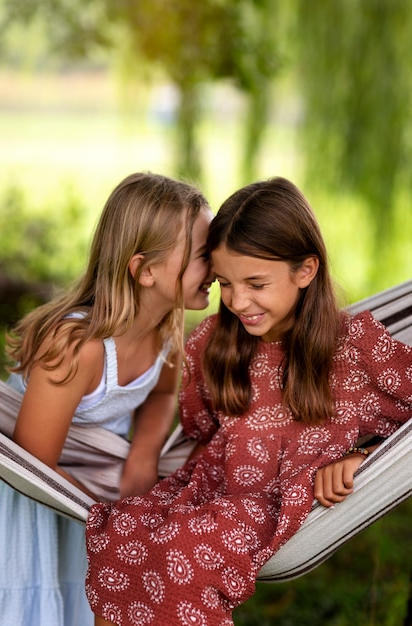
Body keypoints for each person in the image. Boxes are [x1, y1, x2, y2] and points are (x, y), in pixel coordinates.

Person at [85, 176, 412, 626]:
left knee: (182, 554)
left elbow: (405, 437)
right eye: (224, 284)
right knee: (119, 538)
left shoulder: (353, 348)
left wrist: (365, 455)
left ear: (305, 271)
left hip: (281, 505)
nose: (239, 301)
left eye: (256, 284)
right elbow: (199, 431)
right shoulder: (212, 344)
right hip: (212, 496)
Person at [0, 172, 213, 626]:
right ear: (145, 270)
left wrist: (143, 454)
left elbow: (159, 396)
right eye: (202, 256)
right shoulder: (76, 346)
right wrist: (116, 514)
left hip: (87, 488)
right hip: (37, 491)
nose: (216, 267)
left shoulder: (165, 329)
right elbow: (33, 467)